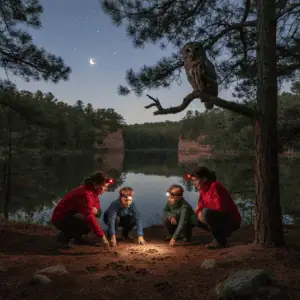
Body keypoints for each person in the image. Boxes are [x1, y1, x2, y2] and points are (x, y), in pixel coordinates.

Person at [51, 171, 112, 249]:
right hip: (59, 218)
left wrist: (95, 208)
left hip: (71, 215)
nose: (106, 189)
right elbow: (90, 217)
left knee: (95, 215)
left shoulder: (92, 190)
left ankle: (77, 238)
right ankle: (63, 238)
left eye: (107, 187)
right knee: (89, 221)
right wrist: (103, 238)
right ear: (96, 184)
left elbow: (96, 201)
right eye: (104, 186)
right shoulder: (85, 194)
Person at [188, 166, 242, 249]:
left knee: (206, 213)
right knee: (193, 217)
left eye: (195, 180)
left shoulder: (215, 186)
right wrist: (199, 212)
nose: (194, 183)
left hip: (231, 220)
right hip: (218, 218)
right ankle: (220, 235)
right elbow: (199, 206)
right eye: (193, 181)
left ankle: (220, 241)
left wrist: (202, 212)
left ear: (204, 179)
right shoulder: (202, 190)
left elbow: (220, 208)